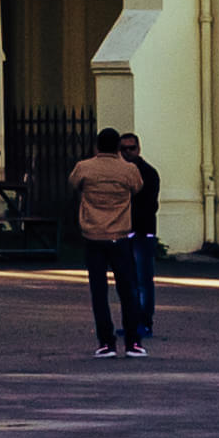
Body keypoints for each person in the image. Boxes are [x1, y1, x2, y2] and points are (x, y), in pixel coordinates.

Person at [68, 130, 148, 357]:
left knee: (99, 292)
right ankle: (133, 342)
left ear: (96, 147)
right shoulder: (129, 170)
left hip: (93, 235)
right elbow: (137, 187)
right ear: (117, 148)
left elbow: (74, 183)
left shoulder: (84, 167)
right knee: (127, 291)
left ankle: (106, 343)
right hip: (120, 236)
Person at [117, 131, 164, 355]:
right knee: (130, 281)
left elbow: (149, 205)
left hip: (142, 232)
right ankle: (133, 322)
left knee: (143, 280)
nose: (127, 153)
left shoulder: (148, 173)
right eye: (123, 149)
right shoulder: (121, 173)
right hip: (126, 231)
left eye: (131, 148)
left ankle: (144, 322)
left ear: (138, 149)